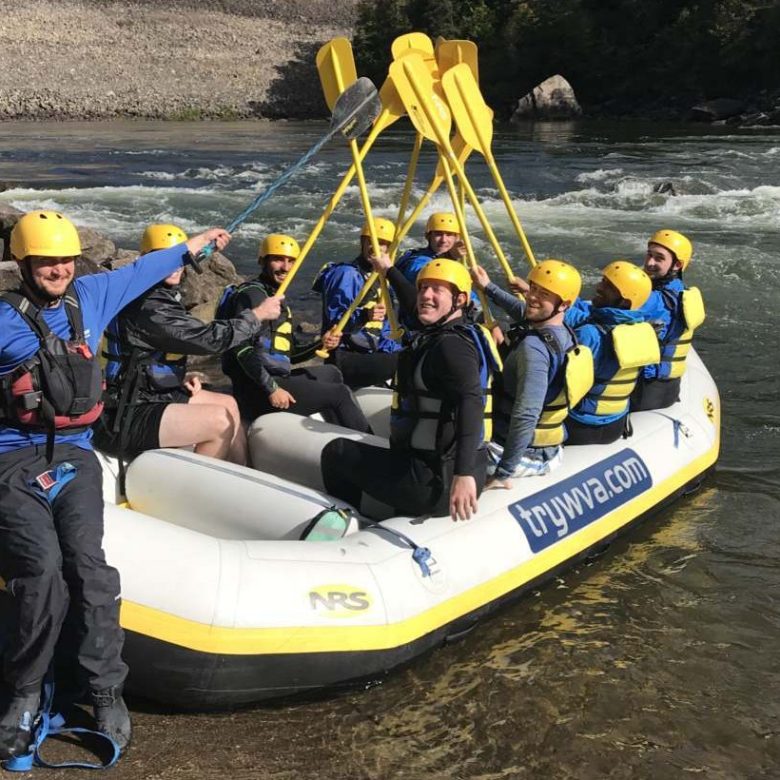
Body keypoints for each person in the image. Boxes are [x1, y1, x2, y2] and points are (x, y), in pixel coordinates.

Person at [0, 210, 229, 759]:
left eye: (64, 259)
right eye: (45, 261)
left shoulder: (93, 295)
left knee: (91, 569)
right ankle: (24, 693)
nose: (57, 269)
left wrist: (195, 244)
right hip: (13, 461)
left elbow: (147, 268)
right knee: (41, 571)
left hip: (76, 457)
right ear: (24, 263)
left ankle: (105, 692)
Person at [320, 257, 501, 521]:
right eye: (422, 288)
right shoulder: (464, 331)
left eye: (437, 290)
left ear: (459, 300)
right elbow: (415, 304)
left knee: (336, 452)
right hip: (449, 469)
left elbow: (470, 403)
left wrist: (463, 475)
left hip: (436, 483)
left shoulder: (451, 347)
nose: (425, 295)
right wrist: (389, 270)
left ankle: (348, 522)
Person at [93, 224, 283, 467]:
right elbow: (209, 339)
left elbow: (186, 261)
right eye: (164, 258)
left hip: (151, 394)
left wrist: (177, 375)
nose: (175, 265)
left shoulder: (157, 293)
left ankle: (243, 476)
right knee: (220, 420)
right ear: (148, 262)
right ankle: (197, 490)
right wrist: (256, 316)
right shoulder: (148, 306)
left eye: (179, 259)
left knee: (228, 403)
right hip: (124, 414)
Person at [220, 233, 371, 432]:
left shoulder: (275, 297)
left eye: (291, 261)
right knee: (340, 393)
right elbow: (241, 348)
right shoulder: (253, 295)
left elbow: (291, 354)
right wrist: (271, 388)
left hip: (273, 379)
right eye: (278, 259)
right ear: (262, 261)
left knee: (331, 372)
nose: (285, 267)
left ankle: (339, 433)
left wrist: (320, 343)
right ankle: (366, 448)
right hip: (256, 390)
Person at [472, 260, 593, 486]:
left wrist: (503, 473)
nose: (532, 296)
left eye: (544, 294)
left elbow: (526, 415)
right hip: (546, 446)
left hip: (528, 455)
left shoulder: (533, 350)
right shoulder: (564, 330)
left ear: (564, 304)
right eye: (533, 288)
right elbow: (522, 311)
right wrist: (488, 287)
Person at [563, 262, 658, 444]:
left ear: (624, 301)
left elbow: (558, 382)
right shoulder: (642, 330)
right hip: (616, 424)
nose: (599, 287)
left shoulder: (590, 334)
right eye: (603, 281)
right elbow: (586, 314)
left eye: (608, 286)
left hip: (579, 425)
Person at [312, 218, 401, 389]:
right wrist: (364, 316)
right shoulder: (346, 274)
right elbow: (336, 322)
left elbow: (386, 330)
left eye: (382, 244)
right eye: (371, 242)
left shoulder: (383, 280)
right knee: (406, 362)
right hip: (345, 356)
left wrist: (395, 350)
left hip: (371, 354)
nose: (376, 248)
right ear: (362, 242)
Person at [632, 229, 705, 410]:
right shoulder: (681, 291)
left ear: (677, 264)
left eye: (659, 258)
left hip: (645, 391)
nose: (649, 262)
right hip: (668, 388)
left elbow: (606, 312)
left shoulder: (655, 301)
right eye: (649, 255)